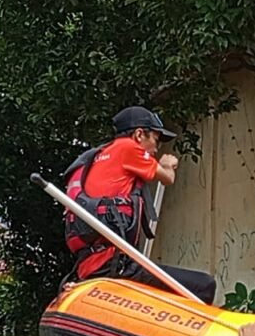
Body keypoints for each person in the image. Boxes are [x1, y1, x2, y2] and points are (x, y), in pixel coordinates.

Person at [63, 106, 216, 303]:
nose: (156, 148)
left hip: (90, 264)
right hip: (115, 265)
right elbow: (167, 178)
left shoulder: (99, 157)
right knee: (204, 285)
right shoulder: (128, 148)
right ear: (139, 134)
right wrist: (168, 164)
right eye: (155, 139)